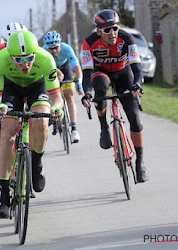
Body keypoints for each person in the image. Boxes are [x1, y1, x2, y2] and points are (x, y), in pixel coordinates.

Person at [0, 30, 64, 218]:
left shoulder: (46, 59)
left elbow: (56, 96)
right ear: (10, 55)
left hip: (36, 87)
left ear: (35, 53)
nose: (25, 64)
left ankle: (36, 162)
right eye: (19, 60)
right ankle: (4, 193)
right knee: (6, 135)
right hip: (10, 88)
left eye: (29, 59)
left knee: (41, 120)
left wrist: (57, 108)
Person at [80, 9, 148, 183]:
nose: (112, 33)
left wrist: (137, 84)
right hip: (100, 72)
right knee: (100, 87)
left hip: (123, 73)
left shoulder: (127, 38)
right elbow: (86, 73)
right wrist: (87, 93)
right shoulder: (89, 43)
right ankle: (104, 128)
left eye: (115, 28)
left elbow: (137, 68)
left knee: (134, 117)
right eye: (107, 29)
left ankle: (139, 162)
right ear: (98, 31)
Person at [43, 30, 83, 143]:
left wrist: (79, 82)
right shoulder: (43, 51)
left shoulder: (67, 48)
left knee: (69, 95)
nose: (54, 51)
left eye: (56, 47)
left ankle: (74, 128)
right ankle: (54, 114)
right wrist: (56, 72)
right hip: (51, 70)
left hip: (65, 67)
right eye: (51, 48)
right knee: (50, 93)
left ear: (60, 45)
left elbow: (76, 67)